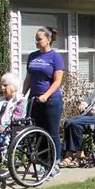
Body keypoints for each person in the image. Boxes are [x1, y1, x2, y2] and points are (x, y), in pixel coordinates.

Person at [22, 26, 65, 177]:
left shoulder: (55, 57)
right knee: (38, 133)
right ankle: (42, 163)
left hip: (51, 101)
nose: (36, 41)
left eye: (39, 39)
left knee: (51, 133)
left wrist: (46, 95)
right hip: (34, 100)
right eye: (36, 39)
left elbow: (57, 81)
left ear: (48, 40)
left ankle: (55, 164)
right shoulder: (32, 56)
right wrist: (22, 94)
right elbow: (29, 78)